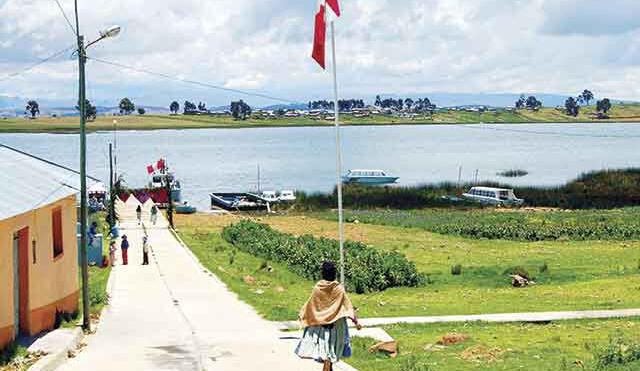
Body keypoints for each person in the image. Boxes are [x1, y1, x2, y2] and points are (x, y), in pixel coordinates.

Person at [295, 261, 361, 371]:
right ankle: (328, 365)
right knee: (331, 351)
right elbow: (347, 306)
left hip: (321, 325)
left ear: (323, 273)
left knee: (325, 350)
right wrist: (356, 322)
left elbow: (311, 305)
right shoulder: (339, 289)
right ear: (334, 273)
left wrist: (302, 314)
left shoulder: (318, 288)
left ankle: (327, 365)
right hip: (337, 326)